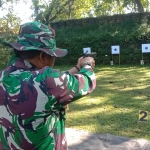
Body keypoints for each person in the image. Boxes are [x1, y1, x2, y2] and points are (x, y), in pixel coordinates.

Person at [0, 21, 96, 150]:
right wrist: (87, 65)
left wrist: (77, 67)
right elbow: (87, 81)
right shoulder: (47, 81)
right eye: (53, 55)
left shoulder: (4, 76)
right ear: (42, 56)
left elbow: (49, 84)